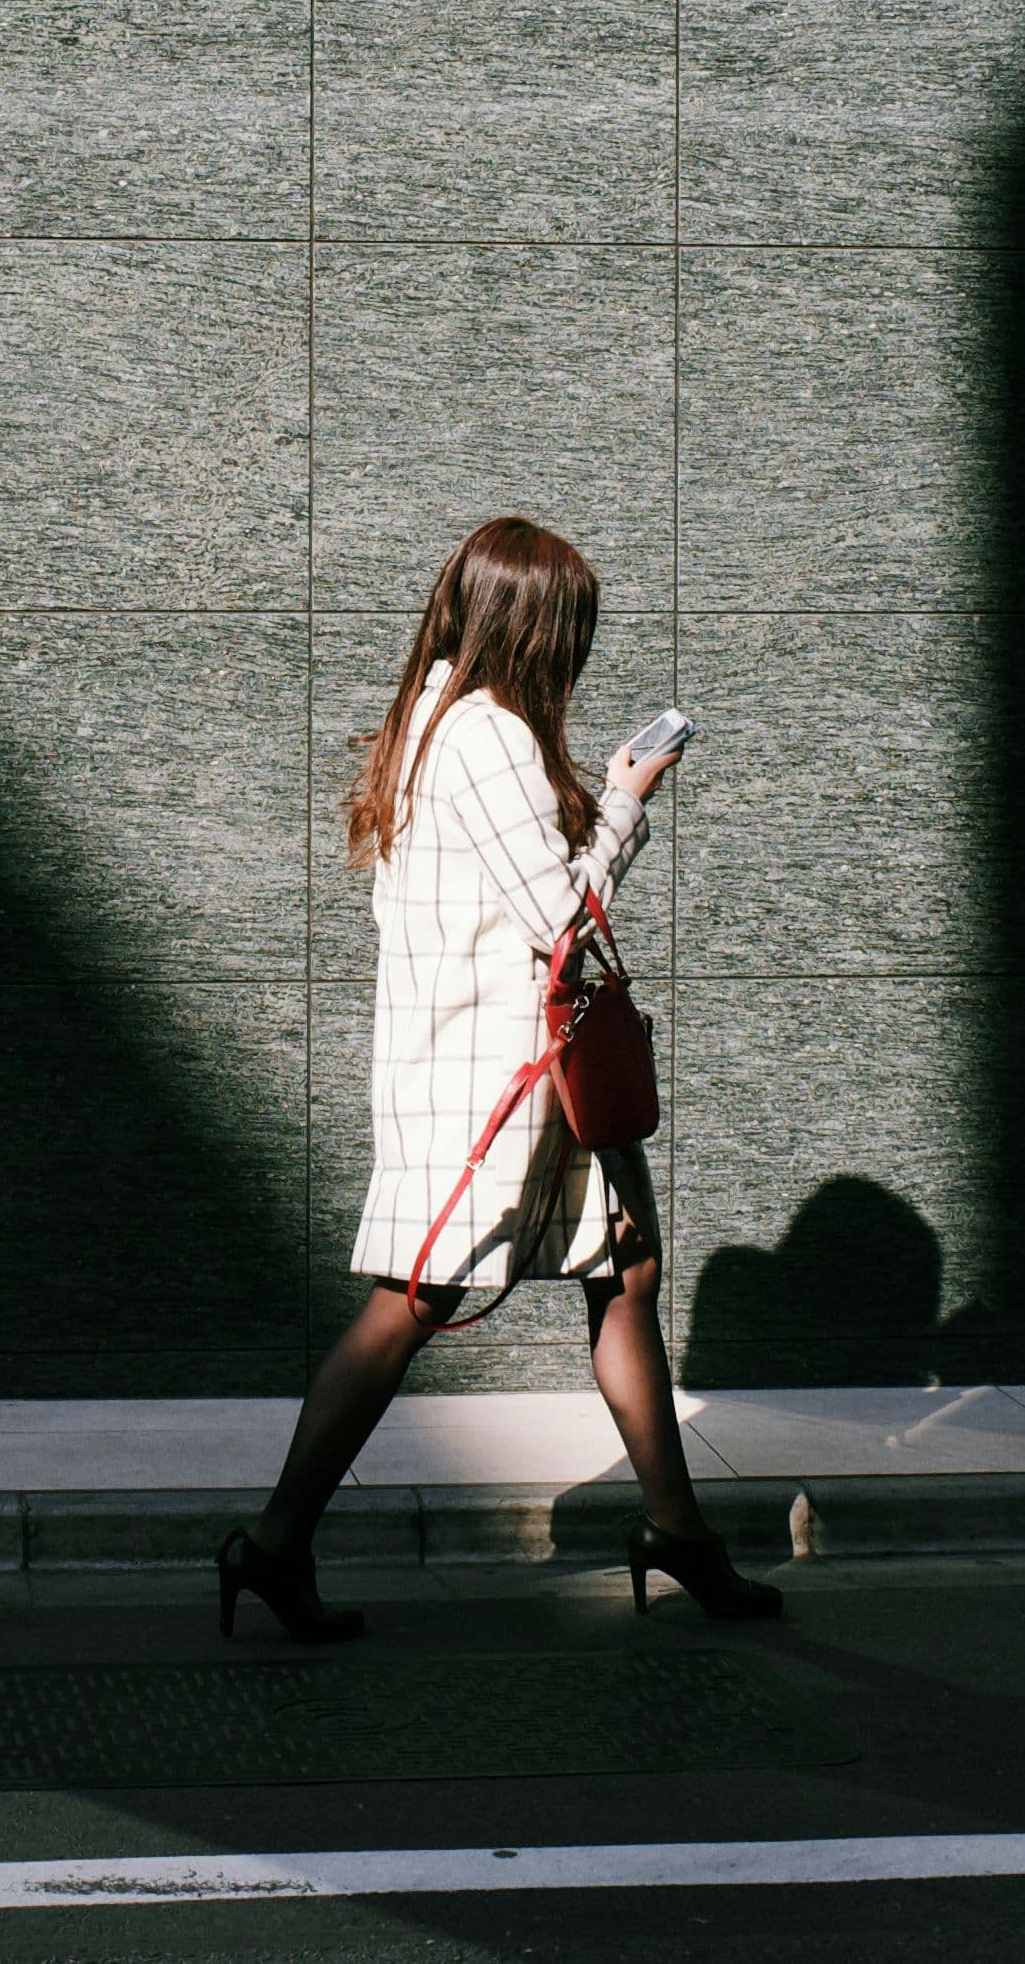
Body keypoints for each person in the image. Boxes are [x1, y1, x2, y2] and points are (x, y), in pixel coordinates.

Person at [218, 515, 781, 1642]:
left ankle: (678, 1532)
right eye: (570, 633)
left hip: (488, 1070)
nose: (576, 656)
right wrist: (626, 798)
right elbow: (563, 917)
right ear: (531, 632)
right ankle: (275, 1538)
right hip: (494, 1082)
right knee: (413, 1300)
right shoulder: (485, 736)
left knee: (624, 1270)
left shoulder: (428, 716)